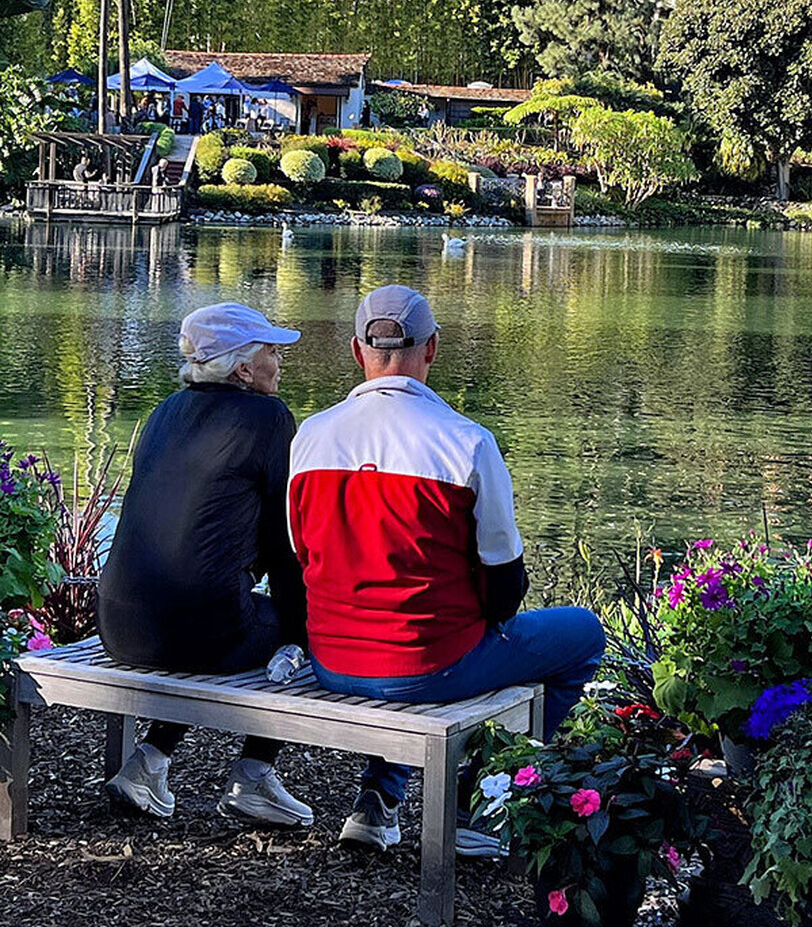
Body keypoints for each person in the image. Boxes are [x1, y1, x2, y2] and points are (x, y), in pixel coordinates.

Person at [288, 286, 605, 852]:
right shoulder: (466, 443)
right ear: (432, 349)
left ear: (355, 350)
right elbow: (505, 582)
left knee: (410, 639)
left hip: (332, 659)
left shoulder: (310, 436)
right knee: (582, 634)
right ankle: (477, 809)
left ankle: (378, 802)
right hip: (429, 665)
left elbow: (303, 555)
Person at [98, 303, 314, 829]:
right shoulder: (269, 418)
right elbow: (286, 544)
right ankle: (254, 775)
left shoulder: (165, 411)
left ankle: (150, 761)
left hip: (116, 623)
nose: (280, 360)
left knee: (204, 607)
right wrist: (302, 623)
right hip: (197, 632)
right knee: (311, 629)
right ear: (242, 368)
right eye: (270, 350)